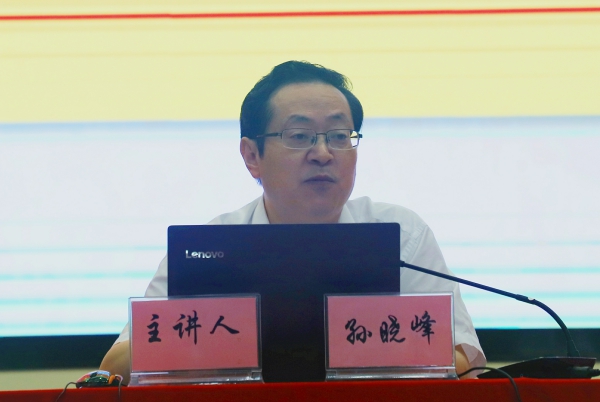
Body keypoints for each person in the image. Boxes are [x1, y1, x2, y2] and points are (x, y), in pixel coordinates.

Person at [100, 61, 486, 383]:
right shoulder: (210, 245)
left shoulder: (402, 234)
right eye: (299, 136)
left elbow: (462, 359)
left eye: (339, 136)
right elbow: (116, 368)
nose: (323, 153)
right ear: (252, 156)